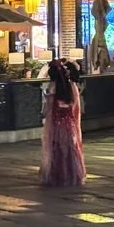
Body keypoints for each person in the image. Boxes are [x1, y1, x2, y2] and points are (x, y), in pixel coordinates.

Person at [40, 59, 86, 187]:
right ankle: (72, 174)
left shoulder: (52, 88)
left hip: (56, 124)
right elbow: (75, 107)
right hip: (69, 124)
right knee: (70, 149)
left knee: (56, 150)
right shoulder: (71, 88)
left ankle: (57, 175)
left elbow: (47, 109)